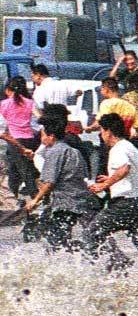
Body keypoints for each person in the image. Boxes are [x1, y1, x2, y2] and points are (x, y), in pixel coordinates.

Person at [79, 111, 138, 266]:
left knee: (92, 232)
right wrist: (112, 179)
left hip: (124, 204)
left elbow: (124, 168)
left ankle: (113, 264)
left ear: (108, 131)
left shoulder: (118, 148)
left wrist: (105, 184)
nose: (101, 135)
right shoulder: (130, 147)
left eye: (101, 131)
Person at [20, 110, 94, 247]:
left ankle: (79, 252)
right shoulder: (73, 150)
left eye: (42, 134)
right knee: (63, 235)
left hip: (64, 203)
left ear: (51, 136)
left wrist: (35, 200)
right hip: (80, 199)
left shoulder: (55, 152)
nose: (41, 137)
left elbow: (49, 182)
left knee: (56, 239)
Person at [2, 77, 36, 205]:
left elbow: (3, 123)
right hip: (29, 138)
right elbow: (37, 117)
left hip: (14, 140)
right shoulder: (29, 102)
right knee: (13, 169)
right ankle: (12, 197)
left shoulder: (5, 104)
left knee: (24, 170)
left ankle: (35, 197)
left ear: (8, 90)